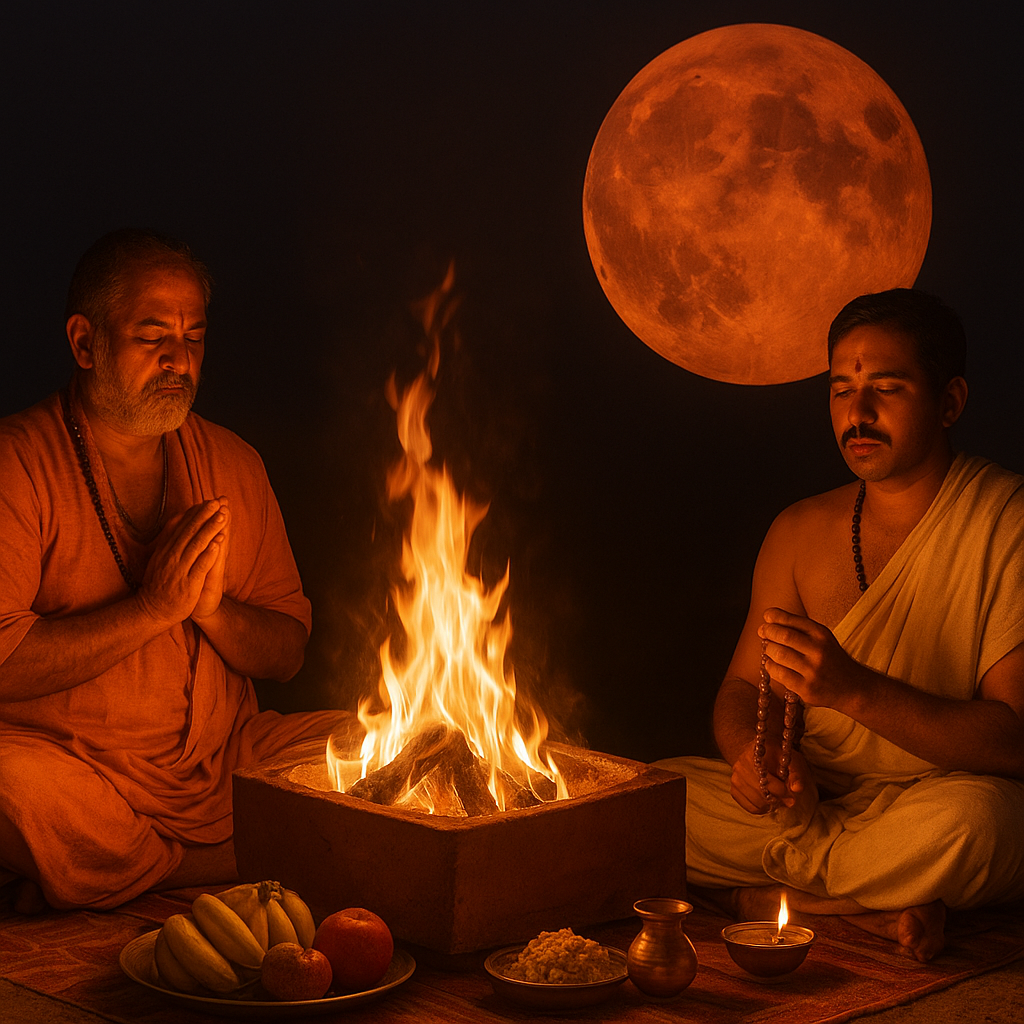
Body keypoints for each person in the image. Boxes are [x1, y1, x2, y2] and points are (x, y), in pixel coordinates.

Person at [657, 289, 1024, 962]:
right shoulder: (798, 530)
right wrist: (754, 757)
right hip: (808, 804)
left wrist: (856, 691)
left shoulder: (1007, 522)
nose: (858, 414)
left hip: (933, 802)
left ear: (949, 402)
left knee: (985, 826)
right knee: (646, 802)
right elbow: (742, 692)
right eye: (840, 390)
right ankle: (869, 904)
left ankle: (763, 902)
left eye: (886, 388)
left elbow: (1015, 740)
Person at [0, 229, 343, 912]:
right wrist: (151, 609)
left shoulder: (234, 462)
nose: (177, 359)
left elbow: (287, 651)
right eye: (151, 335)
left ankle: (131, 869)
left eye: (193, 336)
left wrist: (211, 607)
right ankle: (225, 861)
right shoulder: (17, 463)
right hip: (72, 774)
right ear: (85, 343)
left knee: (391, 741)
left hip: (225, 764)